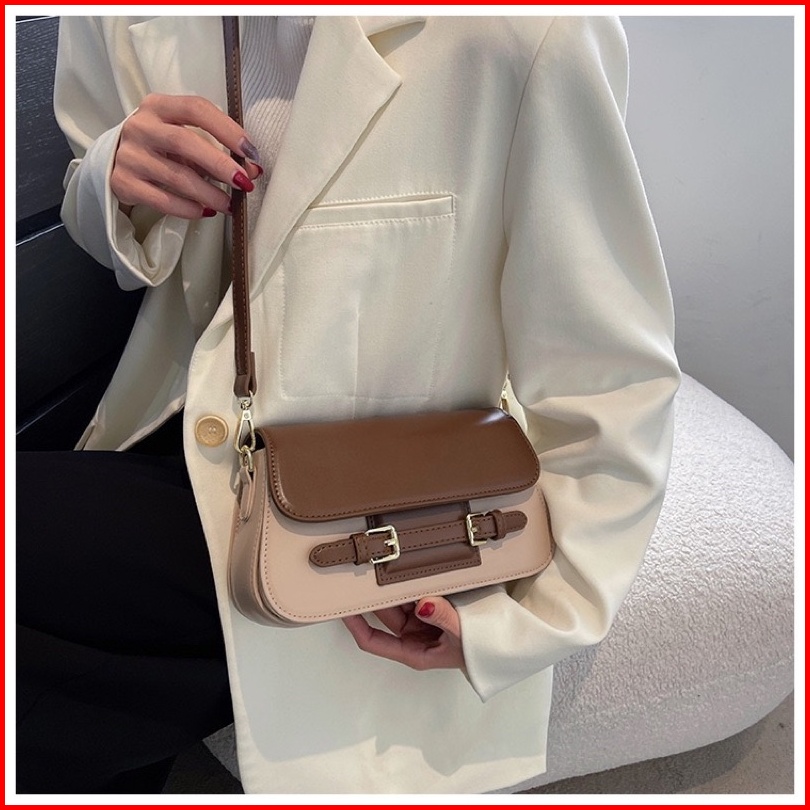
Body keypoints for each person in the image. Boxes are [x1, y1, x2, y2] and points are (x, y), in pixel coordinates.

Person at [18, 14, 680, 794]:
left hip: (361, 528)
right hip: (173, 432)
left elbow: (607, 368)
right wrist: (112, 174)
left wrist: (530, 619)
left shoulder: (524, 31)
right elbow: (101, 224)